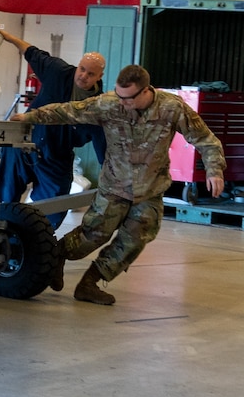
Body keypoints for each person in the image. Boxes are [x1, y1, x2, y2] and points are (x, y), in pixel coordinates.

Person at [11, 65, 225, 306]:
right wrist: (29, 116)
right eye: (119, 95)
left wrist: (214, 170)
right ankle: (59, 254)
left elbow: (206, 139)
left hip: (149, 190)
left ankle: (90, 283)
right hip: (114, 186)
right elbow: (67, 111)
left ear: (146, 91)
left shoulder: (171, 108)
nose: (122, 103)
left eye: (129, 98)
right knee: (93, 234)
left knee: (135, 239)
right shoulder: (110, 104)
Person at [0, 26, 107, 230]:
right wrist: (6, 36)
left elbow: (103, 149)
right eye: (82, 69)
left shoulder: (98, 108)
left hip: (56, 156)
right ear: (78, 66)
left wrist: (111, 177)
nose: (84, 76)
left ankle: (33, 241)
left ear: (99, 76)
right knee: (4, 196)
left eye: (90, 74)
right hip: (24, 143)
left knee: (54, 204)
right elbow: (31, 51)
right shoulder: (57, 71)